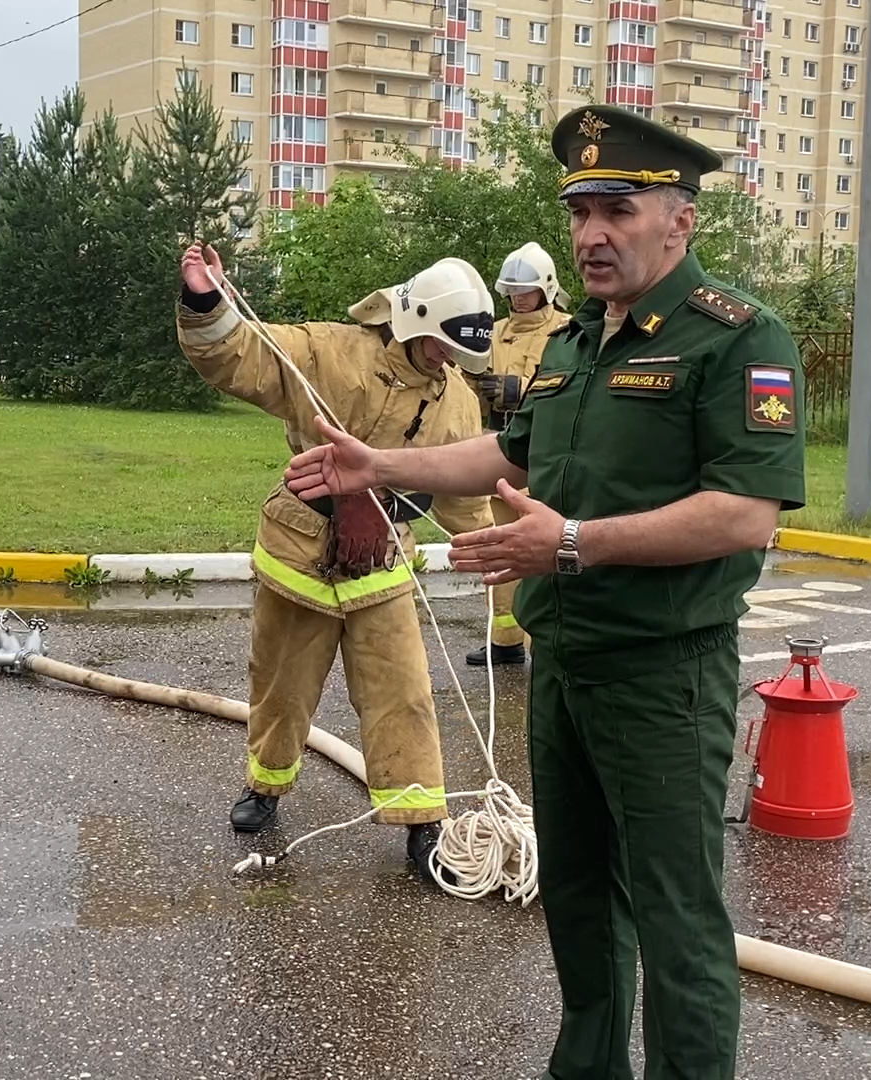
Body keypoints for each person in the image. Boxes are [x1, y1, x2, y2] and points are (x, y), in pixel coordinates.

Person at [281, 105, 807, 1079]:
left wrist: (568, 543)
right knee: (577, 902)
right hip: (564, 669)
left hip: (662, 675)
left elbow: (744, 514)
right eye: (579, 212)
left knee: (676, 919)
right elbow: (506, 453)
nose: (591, 234)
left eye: (616, 210)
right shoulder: (572, 344)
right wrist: (377, 465)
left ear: (679, 220)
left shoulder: (736, 338)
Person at [175, 244, 498, 883]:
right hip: (299, 556)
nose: (447, 359)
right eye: (440, 344)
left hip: (382, 565)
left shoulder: (456, 401)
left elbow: (465, 494)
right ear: (413, 319)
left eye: (457, 351)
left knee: (404, 692)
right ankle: (265, 788)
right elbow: (242, 357)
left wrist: (493, 550)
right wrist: (205, 302)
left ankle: (421, 822)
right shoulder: (330, 352)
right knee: (281, 686)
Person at [469, 242, 573, 668]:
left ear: (545, 289)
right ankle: (505, 641)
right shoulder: (494, 332)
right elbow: (467, 380)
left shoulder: (568, 331)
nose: (518, 298)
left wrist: (516, 390)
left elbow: (567, 388)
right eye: (511, 291)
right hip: (500, 450)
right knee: (501, 549)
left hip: (546, 455)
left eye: (525, 290)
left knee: (545, 555)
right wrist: (480, 388)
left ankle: (544, 643)